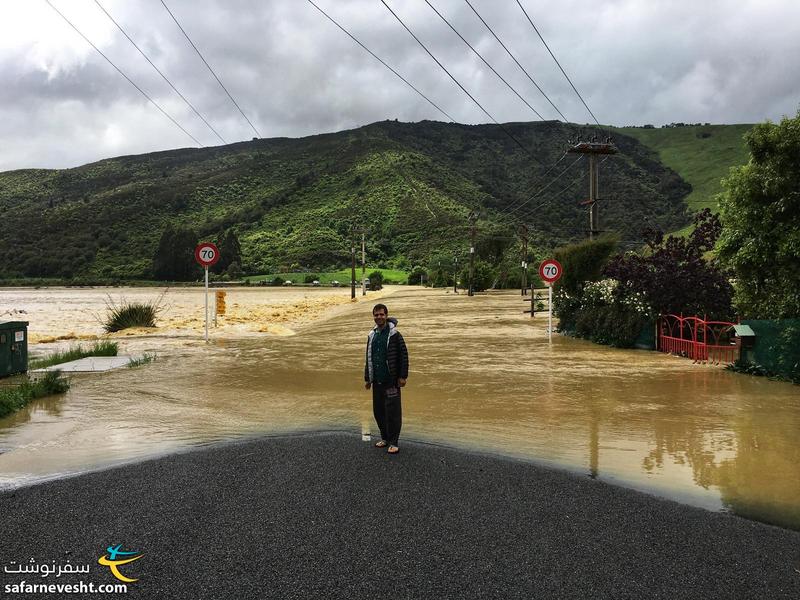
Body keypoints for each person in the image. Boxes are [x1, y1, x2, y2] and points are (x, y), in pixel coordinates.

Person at [364, 303, 409, 454]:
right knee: (379, 411)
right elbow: (368, 357)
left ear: (386, 315)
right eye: (376, 315)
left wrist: (402, 376)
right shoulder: (372, 335)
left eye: (381, 314)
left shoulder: (395, 334)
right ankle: (384, 437)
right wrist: (368, 378)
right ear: (373, 317)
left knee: (393, 412)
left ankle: (394, 442)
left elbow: (403, 355)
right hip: (377, 381)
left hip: (391, 381)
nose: (379, 317)